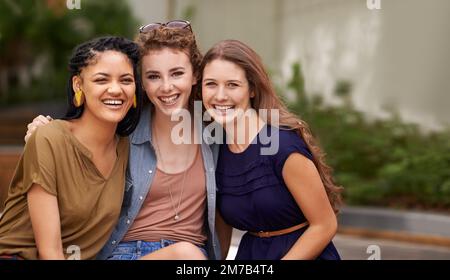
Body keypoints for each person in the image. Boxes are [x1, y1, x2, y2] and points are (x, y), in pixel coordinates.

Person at [24, 21, 220, 260]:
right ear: (142, 83)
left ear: (195, 75)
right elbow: (76, 143)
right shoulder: (123, 130)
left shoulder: (215, 134)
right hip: (125, 253)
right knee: (186, 254)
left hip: (191, 257)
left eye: (177, 73)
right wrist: (42, 132)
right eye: (153, 76)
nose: (166, 87)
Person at [0, 36, 143, 260]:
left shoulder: (125, 145)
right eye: (101, 80)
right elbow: (50, 252)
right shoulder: (49, 139)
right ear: (78, 85)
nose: (116, 90)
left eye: (126, 80)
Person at [199, 39, 343, 260]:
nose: (220, 96)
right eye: (211, 84)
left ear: (253, 90)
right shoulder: (215, 151)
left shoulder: (282, 146)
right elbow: (222, 232)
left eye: (232, 85)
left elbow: (324, 225)